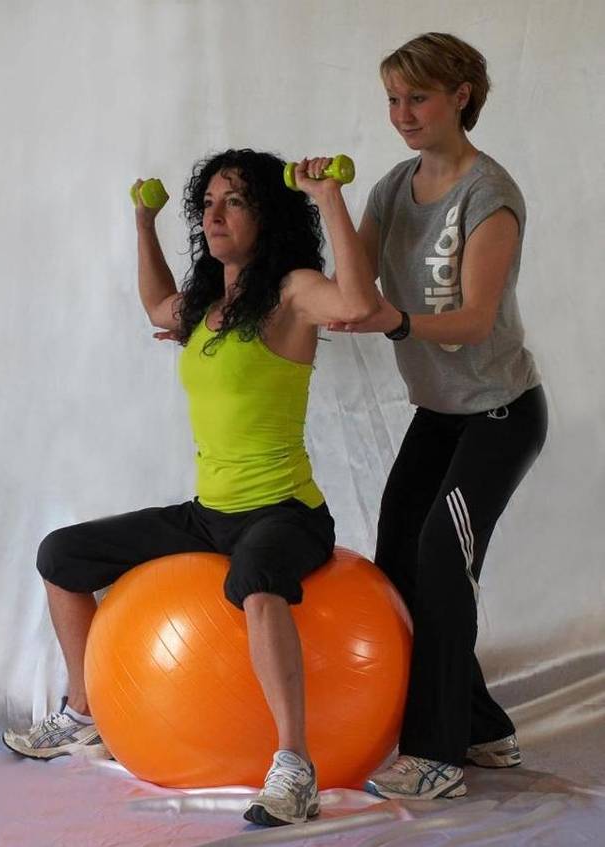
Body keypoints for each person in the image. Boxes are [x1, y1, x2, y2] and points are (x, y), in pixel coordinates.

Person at [2, 148, 379, 826]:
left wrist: (328, 198)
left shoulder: (292, 292)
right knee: (62, 555)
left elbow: (356, 301)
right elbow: (156, 300)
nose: (214, 213)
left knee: (257, 574)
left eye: (233, 200)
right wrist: (143, 220)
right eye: (207, 202)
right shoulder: (208, 306)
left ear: (267, 213)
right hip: (210, 513)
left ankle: (294, 767)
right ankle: (85, 710)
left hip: (286, 510)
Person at [329, 32, 548, 800]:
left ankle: (438, 752)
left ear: (462, 95)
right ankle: (485, 725)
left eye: (416, 97)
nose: (402, 114)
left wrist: (393, 322)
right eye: (392, 99)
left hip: (499, 412)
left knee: (441, 559)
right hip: (440, 412)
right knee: (399, 558)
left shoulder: (490, 194)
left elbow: (476, 321)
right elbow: (352, 288)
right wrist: (328, 203)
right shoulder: (392, 187)